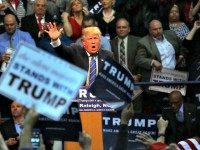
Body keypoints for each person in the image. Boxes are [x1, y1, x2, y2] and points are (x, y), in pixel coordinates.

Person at [45, 22, 114, 86]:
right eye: (90, 39)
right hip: (79, 95)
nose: (93, 42)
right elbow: (62, 50)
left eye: (95, 38)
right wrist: (55, 40)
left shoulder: (108, 55)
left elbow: (113, 79)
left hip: (100, 95)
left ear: (100, 41)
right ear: (83, 42)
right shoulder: (76, 50)